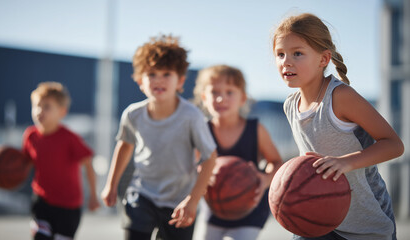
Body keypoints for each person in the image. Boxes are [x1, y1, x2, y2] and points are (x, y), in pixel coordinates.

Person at [272, 13, 404, 240]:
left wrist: (345, 162)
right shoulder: (290, 106)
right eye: (280, 54)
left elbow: (394, 145)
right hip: (317, 217)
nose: (287, 61)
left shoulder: (340, 96)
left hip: (365, 223)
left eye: (297, 53)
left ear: (323, 59)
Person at [101, 35, 217, 240]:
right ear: (140, 81)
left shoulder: (191, 116)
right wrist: (111, 184)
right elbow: (125, 145)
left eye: (166, 74)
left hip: (179, 201)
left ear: (180, 81)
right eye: (151, 74)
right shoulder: (132, 114)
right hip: (142, 194)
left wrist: (192, 200)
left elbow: (209, 157)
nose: (159, 80)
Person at [193, 65, 283, 240]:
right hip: (214, 206)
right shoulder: (202, 131)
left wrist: (265, 180)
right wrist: (199, 175)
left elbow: (277, 162)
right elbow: (191, 166)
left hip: (250, 206)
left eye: (229, 92)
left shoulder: (256, 129)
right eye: (214, 92)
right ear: (204, 97)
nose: (221, 98)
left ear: (243, 98)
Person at [22, 82, 100, 240]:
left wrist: (93, 195)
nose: (39, 111)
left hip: (69, 206)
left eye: (47, 106)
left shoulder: (70, 138)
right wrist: (7, 174)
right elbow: (25, 164)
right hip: (41, 201)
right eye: (36, 106)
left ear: (62, 112)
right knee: (40, 236)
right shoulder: (30, 136)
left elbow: (88, 163)